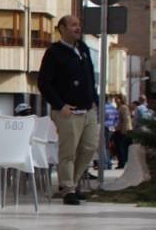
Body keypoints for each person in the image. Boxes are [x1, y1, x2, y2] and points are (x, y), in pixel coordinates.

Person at [37, 15, 99, 205]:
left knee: (89, 147)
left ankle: (71, 183)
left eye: (79, 25)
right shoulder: (54, 52)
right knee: (68, 152)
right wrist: (59, 105)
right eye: (73, 25)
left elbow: (90, 76)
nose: (77, 28)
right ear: (61, 28)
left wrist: (95, 100)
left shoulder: (83, 49)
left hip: (88, 110)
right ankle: (68, 189)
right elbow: (44, 83)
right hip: (67, 112)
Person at [112, 94, 132, 169]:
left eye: (117, 99)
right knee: (118, 147)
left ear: (121, 99)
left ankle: (122, 163)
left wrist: (124, 130)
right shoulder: (118, 108)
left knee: (120, 147)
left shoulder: (123, 108)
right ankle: (121, 162)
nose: (115, 100)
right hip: (118, 129)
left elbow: (125, 119)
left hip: (123, 130)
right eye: (115, 99)